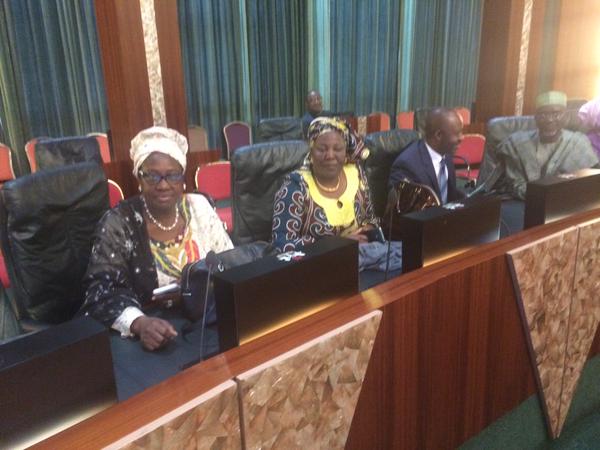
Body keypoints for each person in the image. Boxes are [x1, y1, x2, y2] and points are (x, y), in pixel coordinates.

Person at [80, 126, 233, 351]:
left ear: (182, 177)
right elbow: (100, 292)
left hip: (206, 322)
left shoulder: (199, 207)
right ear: (139, 178)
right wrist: (140, 323)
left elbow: (230, 263)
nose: (163, 185)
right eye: (152, 176)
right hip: (151, 335)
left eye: (172, 175)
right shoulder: (118, 223)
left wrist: (195, 291)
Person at [272, 117, 378, 252]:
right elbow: (281, 245)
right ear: (311, 152)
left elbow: (371, 220)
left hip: (364, 256)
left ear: (345, 152)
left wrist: (368, 231)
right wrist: (340, 243)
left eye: (338, 149)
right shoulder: (296, 187)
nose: (330, 156)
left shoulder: (356, 174)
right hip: (318, 262)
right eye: (322, 149)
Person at [496, 91, 598, 200]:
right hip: (523, 201)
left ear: (566, 117)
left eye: (556, 114)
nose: (549, 120)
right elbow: (515, 185)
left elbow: (586, 182)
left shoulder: (579, 142)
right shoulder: (515, 144)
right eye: (543, 114)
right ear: (535, 117)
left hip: (567, 202)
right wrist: (544, 195)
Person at [388, 107, 465, 204]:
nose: (462, 138)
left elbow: (451, 196)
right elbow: (403, 209)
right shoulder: (407, 166)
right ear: (439, 135)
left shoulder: (446, 156)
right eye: (457, 133)